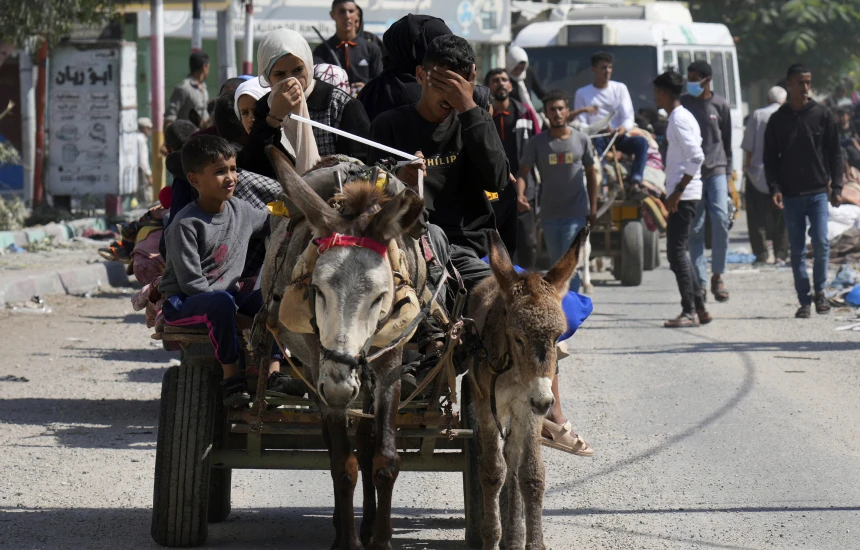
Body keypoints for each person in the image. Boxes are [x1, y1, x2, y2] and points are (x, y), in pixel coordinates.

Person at [370, 36, 591, 457]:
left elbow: (496, 180)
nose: (447, 98)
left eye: (459, 87)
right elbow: (369, 193)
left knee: (535, 310)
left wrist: (471, 110)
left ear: (471, 80)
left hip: (467, 252)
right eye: (439, 87)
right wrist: (398, 178)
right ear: (420, 77)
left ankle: (552, 414)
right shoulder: (390, 126)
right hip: (403, 248)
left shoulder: (476, 119)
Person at [764, 64, 844, 319]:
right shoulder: (778, 119)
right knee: (796, 250)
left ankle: (820, 292)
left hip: (818, 191)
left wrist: (838, 186)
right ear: (789, 84)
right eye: (800, 82)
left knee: (820, 242)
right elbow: (770, 158)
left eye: (808, 82)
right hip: (791, 194)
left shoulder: (822, 114)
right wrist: (774, 187)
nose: (806, 87)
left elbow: (835, 152)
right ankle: (804, 300)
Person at [246, 28, 371, 177]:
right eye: (280, 74)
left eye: (298, 70)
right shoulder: (263, 107)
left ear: (308, 65)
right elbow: (252, 164)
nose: (291, 80)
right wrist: (273, 118)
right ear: (267, 76)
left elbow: (361, 166)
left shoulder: (340, 105)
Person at [517, 89, 597, 292]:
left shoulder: (582, 140)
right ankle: (562, 310)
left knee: (570, 264)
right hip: (549, 215)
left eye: (561, 108)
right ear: (546, 114)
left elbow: (592, 174)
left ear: (567, 111)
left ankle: (573, 311)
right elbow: (523, 172)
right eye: (552, 109)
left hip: (576, 213)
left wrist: (593, 208)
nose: (557, 113)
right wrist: (519, 194)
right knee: (556, 264)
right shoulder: (536, 143)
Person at [653, 70, 711, 328]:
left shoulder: (678, 119)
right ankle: (699, 307)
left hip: (684, 195)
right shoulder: (681, 116)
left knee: (677, 253)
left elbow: (697, 156)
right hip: (683, 192)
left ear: (664, 93)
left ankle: (689, 311)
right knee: (679, 252)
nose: (654, 97)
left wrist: (676, 193)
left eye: (656, 92)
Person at [356, 14, 491, 123]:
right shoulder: (425, 92)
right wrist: (474, 98)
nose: (449, 54)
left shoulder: (369, 90)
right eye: (438, 46)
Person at [680, 60, 733, 303]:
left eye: (695, 78)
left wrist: (730, 176)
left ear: (707, 79)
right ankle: (701, 282)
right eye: (688, 77)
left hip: (718, 170)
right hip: (693, 174)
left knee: (721, 219)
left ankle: (718, 275)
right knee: (696, 228)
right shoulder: (684, 105)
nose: (691, 82)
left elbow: (727, 141)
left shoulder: (720, 105)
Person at [484, 68, 542, 264]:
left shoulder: (525, 113)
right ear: (488, 86)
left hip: (524, 188)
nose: (500, 83)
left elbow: (539, 147)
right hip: (493, 190)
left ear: (511, 85)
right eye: (495, 80)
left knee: (526, 240)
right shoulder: (483, 116)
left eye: (504, 79)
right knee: (497, 242)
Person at [574, 51, 649, 193]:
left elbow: (628, 116)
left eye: (609, 67)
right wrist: (598, 130)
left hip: (617, 136)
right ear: (593, 69)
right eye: (603, 67)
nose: (607, 71)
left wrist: (622, 128)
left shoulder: (620, 88)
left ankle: (636, 181)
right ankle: (604, 184)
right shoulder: (582, 93)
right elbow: (581, 123)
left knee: (641, 143)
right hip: (596, 137)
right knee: (593, 150)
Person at [742, 85, 788, 265]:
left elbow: (749, 147)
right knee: (782, 217)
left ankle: (761, 253)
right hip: (783, 174)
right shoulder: (789, 116)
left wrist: (747, 168)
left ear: (768, 99)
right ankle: (780, 254)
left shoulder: (757, 115)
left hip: (757, 173)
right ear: (784, 100)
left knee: (756, 218)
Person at [312, 0, 383, 91]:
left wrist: (366, 88)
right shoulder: (321, 51)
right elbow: (316, 84)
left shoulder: (372, 48)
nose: (347, 16)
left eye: (351, 11)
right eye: (342, 11)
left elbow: (381, 82)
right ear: (332, 15)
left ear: (357, 14)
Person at [165, 52, 211, 126]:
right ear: (204, 67)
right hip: (186, 135)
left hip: (202, 135)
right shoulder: (184, 88)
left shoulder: (204, 87)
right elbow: (169, 118)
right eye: (208, 67)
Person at [505, 46, 546, 113]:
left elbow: (540, 93)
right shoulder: (503, 77)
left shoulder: (529, 73)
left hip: (528, 114)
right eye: (516, 68)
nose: (519, 72)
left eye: (521, 68)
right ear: (510, 66)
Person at [136, 117, 153, 203]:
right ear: (144, 128)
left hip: (136, 170)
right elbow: (143, 160)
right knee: (147, 195)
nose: (150, 131)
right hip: (141, 171)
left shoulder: (135, 137)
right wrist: (149, 175)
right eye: (149, 128)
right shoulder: (141, 139)